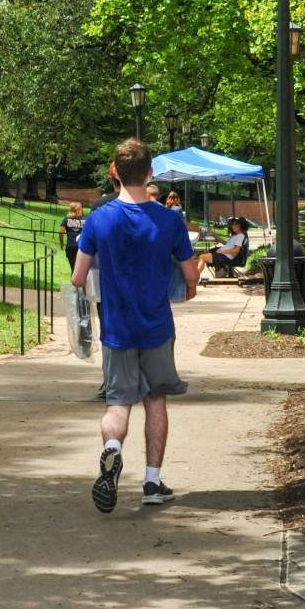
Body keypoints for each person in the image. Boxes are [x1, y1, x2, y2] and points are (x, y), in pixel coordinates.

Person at [70, 139, 199, 512]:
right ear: (150, 173)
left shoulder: (99, 219)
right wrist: (187, 283)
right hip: (157, 325)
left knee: (117, 402)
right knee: (155, 399)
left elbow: (79, 278)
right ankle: (152, 481)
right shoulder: (168, 219)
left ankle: (112, 450)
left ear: (115, 172)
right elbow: (190, 272)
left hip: (117, 327)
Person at [59, 201, 87, 271]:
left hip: (70, 246)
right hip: (81, 247)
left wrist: (61, 243)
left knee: (73, 268)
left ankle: (74, 280)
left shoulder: (66, 219)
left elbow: (61, 232)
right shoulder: (85, 220)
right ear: (79, 209)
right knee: (81, 269)